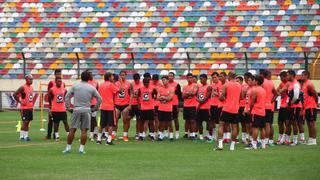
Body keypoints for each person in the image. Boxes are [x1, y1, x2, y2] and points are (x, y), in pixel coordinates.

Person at [62, 71, 102, 154]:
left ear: (81, 77)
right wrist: (95, 108)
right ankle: (81, 149)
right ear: (88, 78)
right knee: (84, 131)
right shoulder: (91, 88)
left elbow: (67, 96)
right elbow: (99, 99)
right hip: (87, 110)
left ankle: (68, 148)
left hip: (76, 109)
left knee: (72, 130)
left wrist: (68, 107)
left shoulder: (75, 86)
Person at [215, 72, 242, 151]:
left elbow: (221, 97)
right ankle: (232, 146)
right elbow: (241, 97)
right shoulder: (239, 85)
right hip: (235, 109)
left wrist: (224, 99)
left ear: (229, 76)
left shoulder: (226, 85)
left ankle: (220, 144)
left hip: (227, 108)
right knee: (234, 127)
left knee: (221, 125)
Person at [97, 72, 122, 145]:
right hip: (110, 107)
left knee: (102, 124)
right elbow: (120, 91)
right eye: (112, 77)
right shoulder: (111, 85)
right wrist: (119, 82)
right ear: (109, 78)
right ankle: (109, 140)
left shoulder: (101, 85)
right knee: (111, 124)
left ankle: (99, 139)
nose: (113, 78)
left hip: (103, 106)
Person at [246, 75, 267, 150]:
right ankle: (264, 145)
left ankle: (254, 145)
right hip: (263, 111)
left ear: (257, 81)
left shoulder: (255, 90)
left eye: (254, 80)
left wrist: (249, 110)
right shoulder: (263, 90)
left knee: (255, 128)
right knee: (262, 128)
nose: (253, 81)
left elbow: (252, 102)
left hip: (256, 111)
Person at [48, 77, 69, 141]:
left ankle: (69, 134)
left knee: (65, 122)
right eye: (58, 81)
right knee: (56, 123)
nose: (60, 82)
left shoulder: (64, 89)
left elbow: (66, 97)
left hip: (62, 109)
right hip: (55, 109)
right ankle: (57, 136)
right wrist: (50, 106)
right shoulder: (52, 89)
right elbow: (49, 98)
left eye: (61, 81)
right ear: (56, 82)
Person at [13, 74, 34, 141]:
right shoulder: (23, 87)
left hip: (30, 108)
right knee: (25, 122)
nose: (31, 80)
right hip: (24, 108)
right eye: (30, 79)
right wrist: (20, 101)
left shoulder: (31, 88)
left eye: (32, 79)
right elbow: (15, 94)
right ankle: (21, 137)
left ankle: (26, 136)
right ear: (26, 79)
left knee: (28, 122)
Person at [45, 69, 64, 140]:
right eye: (58, 74)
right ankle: (48, 135)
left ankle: (55, 135)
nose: (59, 75)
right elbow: (49, 94)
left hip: (60, 106)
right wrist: (50, 105)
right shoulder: (51, 83)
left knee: (57, 121)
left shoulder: (62, 83)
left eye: (60, 74)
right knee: (50, 120)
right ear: (55, 75)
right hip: (53, 105)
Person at [285, 70, 303, 146]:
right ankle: (288, 140)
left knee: (294, 123)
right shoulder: (290, 84)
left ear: (292, 75)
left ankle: (295, 141)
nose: (287, 76)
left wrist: (289, 104)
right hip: (291, 106)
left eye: (288, 75)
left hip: (295, 106)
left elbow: (296, 96)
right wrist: (287, 103)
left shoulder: (296, 84)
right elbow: (290, 96)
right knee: (288, 122)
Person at [301, 70, 318, 145]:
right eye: (301, 75)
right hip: (306, 107)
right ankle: (310, 139)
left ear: (307, 76)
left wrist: (316, 103)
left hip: (311, 106)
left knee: (312, 123)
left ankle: (314, 140)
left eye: (303, 75)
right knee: (308, 123)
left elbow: (315, 94)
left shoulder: (309, 84)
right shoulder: (304, 84)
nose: (302, 77)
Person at [114, 71, 132, 141]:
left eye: (123, 75)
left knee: (125, 120)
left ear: (126, 75)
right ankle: (113, 135)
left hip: (125, 105)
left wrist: (130, 105)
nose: (122, 76)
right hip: (117, 104)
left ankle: (125, 135)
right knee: (115, 120)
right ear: (119, 76)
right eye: (121, 75)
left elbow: (131, 94)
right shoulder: (116, 84)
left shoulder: (129, 84)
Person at [261, 70, 277, 146]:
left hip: (263, 106)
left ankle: (265, 141)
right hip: (270, 106)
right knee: (269, 124)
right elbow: (276, 93)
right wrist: (272, 101)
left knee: (264, 125)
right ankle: (269, 140)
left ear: (263, 75)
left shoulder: (262, 82)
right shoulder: (271, 82)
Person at [196, 74, 213, 141]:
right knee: (199, 122)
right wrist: (198, 102)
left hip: (206, 107)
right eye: (200, 79)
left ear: (206, 79)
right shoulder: (199, 87)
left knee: (209, 122)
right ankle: (200, 136)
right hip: (200, 107)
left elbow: (206, 98)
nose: (201, 80)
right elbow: (197, 96)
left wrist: (199, 103)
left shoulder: (209, 87)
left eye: (202, 78)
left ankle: (209, 136)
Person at [157, 75, 174, 141]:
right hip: (161, 108)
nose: (163, 81)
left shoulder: (171, 88)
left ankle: (171, 136)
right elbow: (157, 98)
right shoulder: (160, 89)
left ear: (167, 80)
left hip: (168, 108)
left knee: (169, 123)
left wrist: (163, 97)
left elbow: (170, 98)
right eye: (162, 80)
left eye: (164, 80)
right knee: (161, 122)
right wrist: (164, 98)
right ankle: (161, 136)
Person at [182, 73, 198, 139]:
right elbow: (183, 96)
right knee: (187, 120)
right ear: (186, 79)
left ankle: (193, 134)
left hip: (193, 105)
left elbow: (194, 93)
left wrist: (187, 93)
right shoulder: (185, 87)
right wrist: (189, 93)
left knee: (192, 120)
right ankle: (186, 133)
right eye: (188, 78)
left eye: (190, 77)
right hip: (186, 105)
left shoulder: (195, 85)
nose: (189, 79)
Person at [276, 71, 289, 144]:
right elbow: (277, 91)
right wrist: (279, 94)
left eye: (281, 78)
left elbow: (279, 91)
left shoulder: (289, 84)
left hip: (287, 106)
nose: (281, 79)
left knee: (287, 123)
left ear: (285, 77)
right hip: (282, 106)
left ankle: (286, 139)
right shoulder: (281, 84)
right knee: (280, 123)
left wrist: (280, 93)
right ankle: (280, 137)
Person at [168, 72, 182, 139]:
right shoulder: (165, 84)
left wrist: (178, 106)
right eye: (169, 76)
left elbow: (179, 96)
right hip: (167, 105)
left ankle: (177, 133)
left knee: (176, 119)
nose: (170, 77)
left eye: (171, 76)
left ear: (173, 77)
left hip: (174, 104)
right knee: (168, 120)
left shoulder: (177, 85)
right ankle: (170, 134)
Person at [87, 70, 99, 141]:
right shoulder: (85, 83)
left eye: (91, 74)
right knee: (86, 119)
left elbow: (97, 93)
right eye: (89, 74)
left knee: (93, 118)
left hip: (94, 104)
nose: (91, 75)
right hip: (86, 104)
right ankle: (90, 133)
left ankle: (93, 133)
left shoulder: (96, 83)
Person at [130, 73, 142, 140]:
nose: (136, 81)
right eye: (135, 80)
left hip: (139, 105)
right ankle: (125, 133)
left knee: (139, 120)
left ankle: (137, 133)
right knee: (128, 118)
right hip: (132, 104)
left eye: (137, 80)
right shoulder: (131, 84)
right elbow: (131, 93)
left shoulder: (142, 84)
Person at [210, 72, 222, 141]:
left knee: (219, 121)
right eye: (213, 77)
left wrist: (216, 93)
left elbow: (221, 95)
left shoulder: (220, 84)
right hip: (212, 105)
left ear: (218, 77)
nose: (214, 79)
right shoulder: (212, 85)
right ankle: (214, 135)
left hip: (218, 105)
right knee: (212, 121)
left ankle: (219, 136)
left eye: (215, 77)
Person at [236, 76, 247, 143]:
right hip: (237, 107)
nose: (236, 82)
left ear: (241, 81)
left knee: (244, 123)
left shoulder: (244, 88)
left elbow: (242, 97)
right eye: (236, 81)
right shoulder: (236, 88)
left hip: (243, 107)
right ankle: (236, 137)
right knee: (235, 123)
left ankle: (244, 138)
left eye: (238, 81)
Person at [151, 74, 162, 138]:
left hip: (157, 104)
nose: (154, 81)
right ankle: (152, 133)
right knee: (151, 120)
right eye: (153, 80)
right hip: (151, 104)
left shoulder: (160, 84)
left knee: (157, 119)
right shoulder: (150, 83)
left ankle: (156, 133)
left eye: (156, 80)